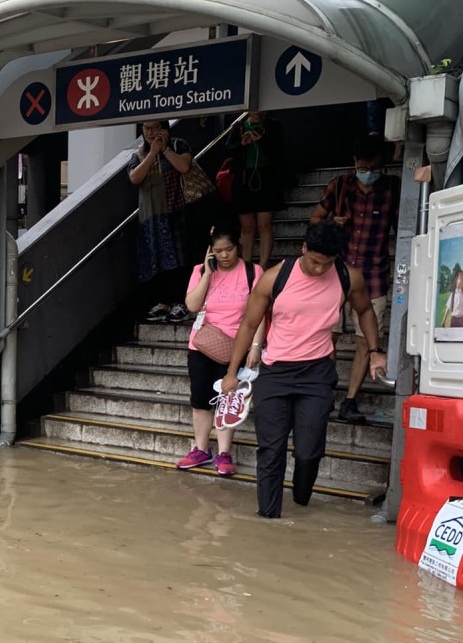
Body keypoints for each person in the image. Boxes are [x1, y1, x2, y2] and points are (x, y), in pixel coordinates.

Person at [221, 221, 387, 520]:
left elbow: (365, 311)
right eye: (314, 261)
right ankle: (268, 518)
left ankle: (300, 498)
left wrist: (375, 352)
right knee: (271, 450)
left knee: (308, 452)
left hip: (317, 374)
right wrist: (232, 372)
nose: (319, 269)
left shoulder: (348, 277)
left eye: (327, 263)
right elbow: (248, 324)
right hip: (275, 373)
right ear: (304, 248)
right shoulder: (275, 277)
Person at [310, 137, 399, 424]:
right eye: (362, 168)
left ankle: (350, 400)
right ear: (354, 163)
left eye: (373, 168)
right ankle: (325, 394)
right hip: (336, 273)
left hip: (374, 275)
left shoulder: (393, 189)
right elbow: (314, 220)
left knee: (366, 341)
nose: (368, 173)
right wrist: (330, 223)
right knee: (327, 336)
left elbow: (407, 227)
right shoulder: (339, 186)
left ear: (383, 165)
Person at [179, 226, 262, 476]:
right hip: (202, 344)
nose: (224, 255)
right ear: (210, 251)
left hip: (235, 346)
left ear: (239, 247)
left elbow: (260, 313)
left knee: (228, 399)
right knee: (200, 400)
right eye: (218, 251)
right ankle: (201, 449)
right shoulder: (200, 270)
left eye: (229, 249)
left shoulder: (252, 272)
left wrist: (255, 346)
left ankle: (224, 453)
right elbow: (192, 305)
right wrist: (207, 273)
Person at [127, 120, 194, 323]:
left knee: (179, 258)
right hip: (151, 217)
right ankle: (163, 302)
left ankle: (181, 302)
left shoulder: (178, 145)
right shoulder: (138, 154)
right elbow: (134, 178)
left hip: (176, 211)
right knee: (155, 260)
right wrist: (152, 153)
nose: (150, 132)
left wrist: (164, 149)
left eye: (155, 127)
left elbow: (184, 166)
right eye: (146, 128)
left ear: (164, 128)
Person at [229, 111, 285, 268]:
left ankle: (263, 264)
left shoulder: (272, 125)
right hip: (244, 178)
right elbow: (228, 151)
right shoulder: (238, 126)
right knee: (247, 226)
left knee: (264, 224)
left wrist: (261, 140)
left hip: (267, 176)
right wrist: (242, 143)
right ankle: (246, 264)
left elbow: (280, 151)